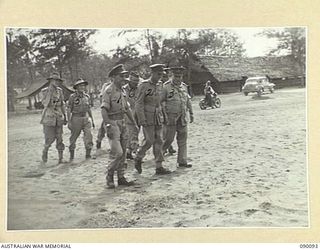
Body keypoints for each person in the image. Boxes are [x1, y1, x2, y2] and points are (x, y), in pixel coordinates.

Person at [101, 64, 137, 188]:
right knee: (118, 153)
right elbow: (104, 110)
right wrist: (108, 125)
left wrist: (134, 123)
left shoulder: (122, 90)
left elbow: (127, 108)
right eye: (121, 76)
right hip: (113, 122)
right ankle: (109, 176)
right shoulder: (108, 91)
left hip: (123, 122)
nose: (124, 78)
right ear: (114, 77)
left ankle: (121, 177)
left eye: (124, 76)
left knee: (123, 152)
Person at [134, 64, 171, 175]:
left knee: (159, 140)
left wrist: (163, 115)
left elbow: (160, 102)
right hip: (147, 116)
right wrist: (141, 119)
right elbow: (138, 103)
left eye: (161, 74)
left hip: (157, 116)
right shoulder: (144, 85)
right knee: (149, 140)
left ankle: (159, 166)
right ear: (152, 73)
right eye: (158, 74)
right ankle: (138, 157)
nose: (160, 77)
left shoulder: (160, 85)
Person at [161, 66, 194, 168]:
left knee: (183, 139)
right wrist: (164, 116)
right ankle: (159, 158)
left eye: (180, 76)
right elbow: (161, 102)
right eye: (176, 76)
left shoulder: (184, 87)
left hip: (182, 117)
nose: (178, 78)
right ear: (172, 75)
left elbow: (188, 100)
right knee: (168, 139)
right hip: (171, 117)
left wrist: (191, 113)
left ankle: (182, 161)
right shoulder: (166, 87)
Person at [40, 72, 67, 164]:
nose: (56, 82)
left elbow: (62, 104)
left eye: (58, 81)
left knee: (60, 138)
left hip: (59, 117)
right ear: (50, 81)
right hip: (49, 118)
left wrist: (65, 115)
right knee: (49, 139)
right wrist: (50, 93)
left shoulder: (60, 91)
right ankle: (45, 151)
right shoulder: (44, 91)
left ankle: (61, 158)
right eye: (55, 80)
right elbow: (45, 103)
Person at [67, 79, 95, 161]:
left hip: (86, 118)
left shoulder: (87, 97)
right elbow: (69, 109)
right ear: (76, 87)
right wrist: (69, 121)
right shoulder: (72, 97)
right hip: (76, 118)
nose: (82, 87)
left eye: (83, 85)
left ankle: (88, 154)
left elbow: (89, 108)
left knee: (88, 135)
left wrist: (92, 119)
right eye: (80, 86)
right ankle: (72, 155)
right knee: (73, 137)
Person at [123, 71, 140, 160]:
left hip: (139, 114)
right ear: (130, 81)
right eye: (134, 81)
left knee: (136, 132)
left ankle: (129, 151)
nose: (135, 83)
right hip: (129, 114)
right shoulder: (124, 89)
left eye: (137, 81)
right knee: (131, 133)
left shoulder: (139, 88)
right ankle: (135, 152)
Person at [161, 68, 176, 155]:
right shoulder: (159, 85)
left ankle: (169, 147)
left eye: (166, 75)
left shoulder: (170, 85)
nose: (165, 77)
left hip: (169, 109)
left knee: (169, 131)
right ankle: (165, 148)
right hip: (162, 110)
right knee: (164, 131)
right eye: (163, 75)